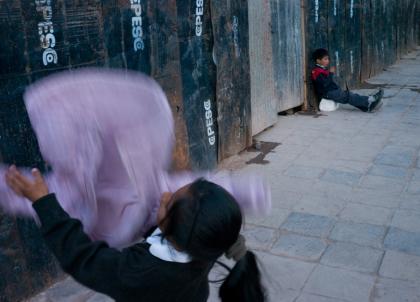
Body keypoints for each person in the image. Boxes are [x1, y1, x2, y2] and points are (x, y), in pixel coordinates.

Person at [4, 165, 266, 302]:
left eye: (169, 200)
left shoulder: (137, 274)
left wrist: (44, 202)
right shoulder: (204, 245)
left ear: (169, 226)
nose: (164, 195)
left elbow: (81, 257)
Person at [311, 48, 383, 112]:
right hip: (327, 93)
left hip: (331, 91)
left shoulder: (321, 69)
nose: (328, 61)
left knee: (349, 96)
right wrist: (330, 74)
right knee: (348, 96)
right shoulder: (316, 71)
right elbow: (324, 84)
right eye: (325, 59)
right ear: (318, 60)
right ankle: (369, 101)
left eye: (328, 59)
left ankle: (367, 105)